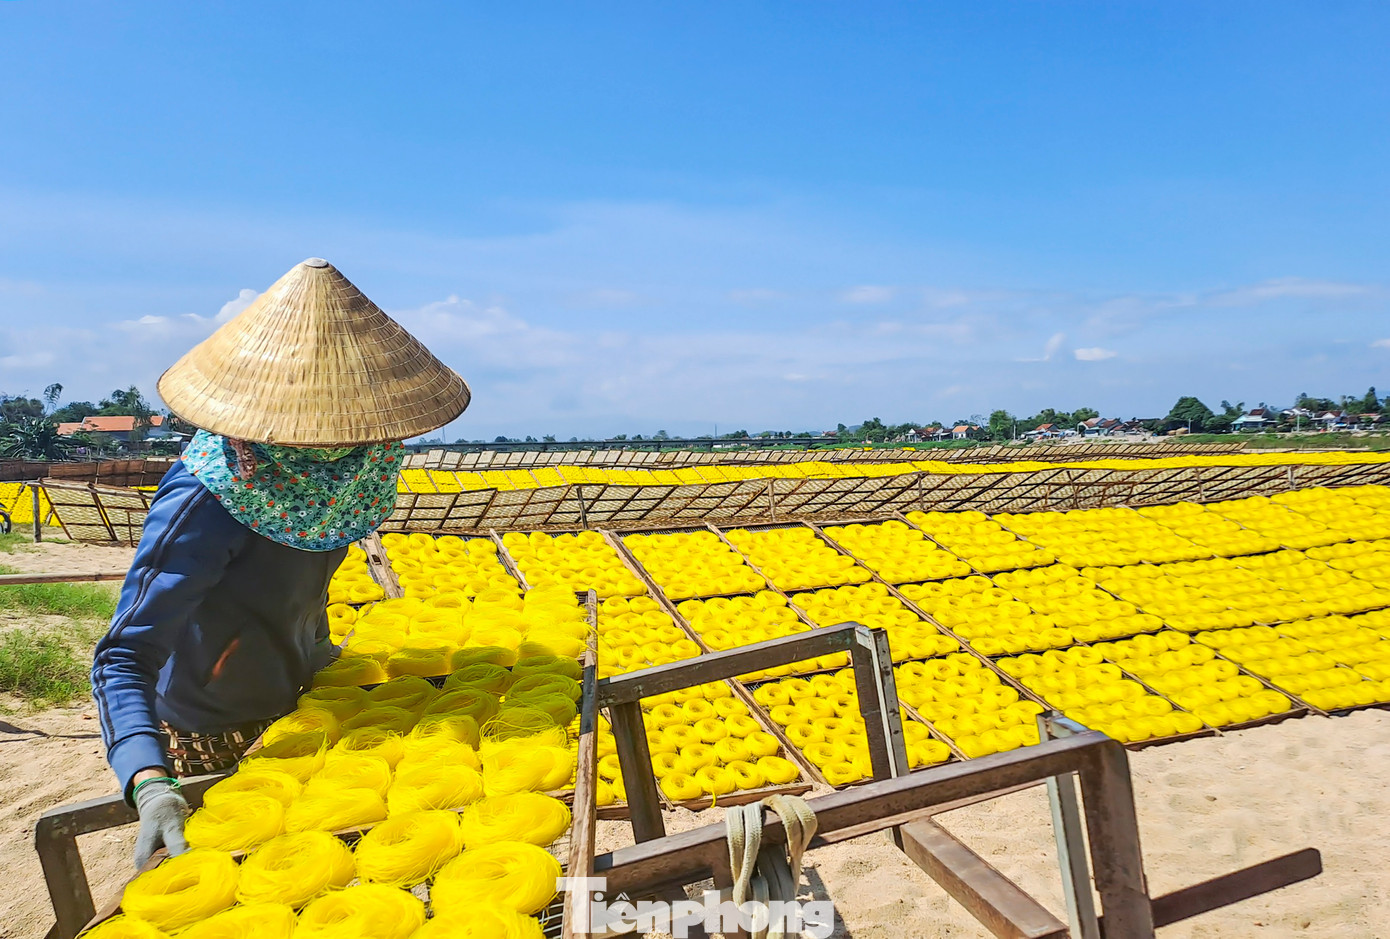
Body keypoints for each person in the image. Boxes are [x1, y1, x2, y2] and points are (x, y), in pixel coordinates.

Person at [90, 258, 471, 866]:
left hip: (300, 702)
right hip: (208, 728)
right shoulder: (207, 498)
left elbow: (299, 597)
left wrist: (335, 662)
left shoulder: (349, 481)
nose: (358, 444)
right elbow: (123, 656)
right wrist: (147, 780)